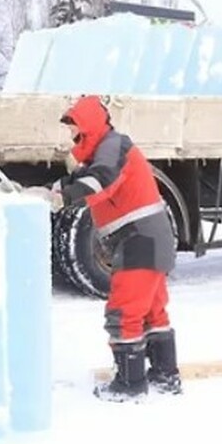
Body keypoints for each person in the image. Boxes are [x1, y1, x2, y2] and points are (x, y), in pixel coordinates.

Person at [49, 95, 181, 401]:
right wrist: (52, 189)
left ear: (89, 125)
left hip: (141, 240)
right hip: (147, 239)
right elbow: (83, 178)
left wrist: (62, 197)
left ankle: (130, 385)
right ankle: (165, 376)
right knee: (151, 311)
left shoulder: (112, 147)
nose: (71, 134)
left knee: (123, 312)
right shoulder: (105, 150)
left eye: (74, 127)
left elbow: (100, 179)